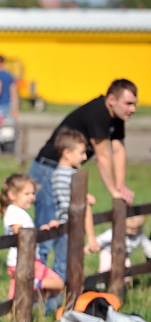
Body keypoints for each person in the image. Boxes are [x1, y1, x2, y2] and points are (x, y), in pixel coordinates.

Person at [29, 79, 138, 266]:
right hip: (47, 169)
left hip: (65, 172)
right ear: (111, 99)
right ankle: (38, 286)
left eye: (135, 103)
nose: (133, 109)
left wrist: (120, 186)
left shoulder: (117, 116)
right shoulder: (98, 113)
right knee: (48, 232)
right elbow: (103, 155)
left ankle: (59, 287)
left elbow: (118, 149)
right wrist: (113, 192)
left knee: (67, 231)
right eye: (128, 103)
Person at [0, 173, 64, 302]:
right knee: (58, 283)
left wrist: (42, 232)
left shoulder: (19, 212)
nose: (32, 197)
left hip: (27, 260)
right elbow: (22, 235)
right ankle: (34, 284)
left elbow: (28, 235)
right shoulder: (13, 212)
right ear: (12, 194)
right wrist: (37, 234)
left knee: (17, 298)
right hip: (22, 261)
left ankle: (15, 319)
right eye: (27, 194)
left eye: (33, 193)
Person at [50, 128, 99, 281]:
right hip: (69, 228)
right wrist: (91, 237)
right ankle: (55, 303)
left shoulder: (59, 174)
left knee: (67, 266)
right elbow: (83, 208)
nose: (85, 157)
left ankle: (64, 300)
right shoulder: (71, 176)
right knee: (64, 267)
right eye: (81, 153)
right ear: (67, 153)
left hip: (68, 228)